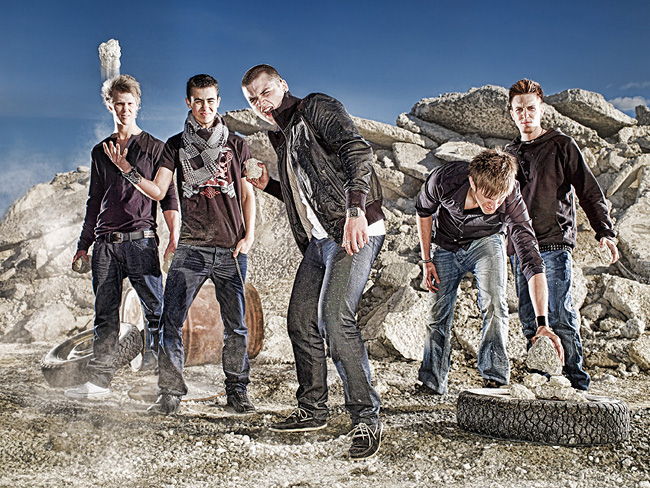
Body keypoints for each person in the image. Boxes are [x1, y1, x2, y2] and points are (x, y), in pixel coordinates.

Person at [241, 64, 385, 460]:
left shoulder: (315, 107)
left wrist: (356, 210)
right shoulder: (283, 135)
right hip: (320, 242)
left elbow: (357, 150)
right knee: (301, 321)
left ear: (282, 85)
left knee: (335, 319)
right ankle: (312, 409)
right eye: (252, 99)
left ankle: (366, 418)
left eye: (265, 92)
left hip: (355, 229)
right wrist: (268, 185)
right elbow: (308, 193)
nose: (260, 102)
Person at [103, 74, 256, 415]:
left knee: (236, 325)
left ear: (218, 102)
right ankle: (170, 394)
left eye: (211, 101)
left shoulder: (237, 144)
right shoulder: (174, 146)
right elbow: (159, 191)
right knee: (170, 322)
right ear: (189, 103)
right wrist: (127, 169)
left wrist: (249, 237)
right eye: (198, 101)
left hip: (231, 250)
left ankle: (237, 391)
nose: (205, 107)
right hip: (191, 249)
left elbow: (247, 195)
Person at [65, 74, 179, 399]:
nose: (125, 109)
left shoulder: (156, 148)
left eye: (130, 103)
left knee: (156, 312)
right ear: (109, 106)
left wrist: (174, 238)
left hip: (142, 241)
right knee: (105, 315)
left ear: (138, 104)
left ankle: (157, 381)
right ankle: (99, 383)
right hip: (105, 245)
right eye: (119, 104)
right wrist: (83, 246)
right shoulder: (100, 151)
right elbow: (93, 201)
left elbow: (168, 197)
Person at [415, 148, 563, 395]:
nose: (493, 205)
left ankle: (494, 377)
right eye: (487, 196)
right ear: (473, 182)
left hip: (487, 242)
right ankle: (432, 381)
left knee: (495, 303)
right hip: (446, 244)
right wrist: (426, 260)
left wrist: (543, 323)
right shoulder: (444, 180)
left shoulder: (511, 197)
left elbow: (532, 260)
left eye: (499, 198)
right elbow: (424, 211)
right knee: (437, 313)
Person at [506, 79, 619, 390]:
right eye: (519, 109)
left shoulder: (561, 145)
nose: (525, 115)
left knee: (560, 316)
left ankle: (575, 384)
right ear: (512, 113)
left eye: (531, 108)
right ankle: (543, 381)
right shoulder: (509, 153)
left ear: (541, 109)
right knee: (530, 318)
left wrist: (604, 231)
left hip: (554, 243)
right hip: (520, 248)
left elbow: (588, 190)